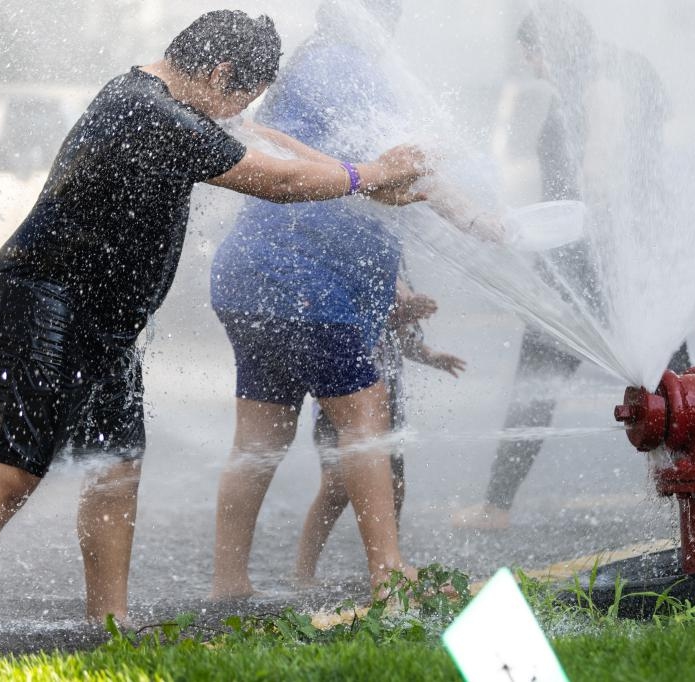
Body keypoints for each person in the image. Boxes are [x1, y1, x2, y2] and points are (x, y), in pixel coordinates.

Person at [0, 9, 427, 639]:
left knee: (116, 469)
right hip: (43, 300)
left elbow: (270, 143)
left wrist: (367, 185)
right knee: (15, 469)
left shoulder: (172, 100)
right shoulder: (150, 111)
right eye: (239, 97)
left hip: (107, 319)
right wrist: (369, 174)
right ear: (220, 71)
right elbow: (278, 180)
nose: (236, 113)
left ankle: (110, 622)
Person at [207, 0, 492, 600]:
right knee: (366, 416)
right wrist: (477, 217)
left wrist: (396, 286)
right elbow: (394, 165)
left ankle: (229, 582)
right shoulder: (347, 65)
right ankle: (389, 573)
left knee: (261, 440)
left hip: (252, 275)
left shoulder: (310, 65)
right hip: (304, 280)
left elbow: (356, 177)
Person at [452, 2, 690, 531]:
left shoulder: (597, 83)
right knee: (671, 376)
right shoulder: (624, 69)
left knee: (541, 370)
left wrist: (571, 229)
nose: (534, 67)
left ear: (551, 48)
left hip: (590, 257)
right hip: (631, 253)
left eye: (533, 55)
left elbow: (598, 170)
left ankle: (496, 506)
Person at [295, 276, 465, 583]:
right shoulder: (346, 262)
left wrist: (431, 356)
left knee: (394, 487)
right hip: (341, 400)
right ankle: (302, 573)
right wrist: (402, 311)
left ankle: (388, 562)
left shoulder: (392, 266)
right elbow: (357, 318)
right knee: (335, 487)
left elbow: (398, 336)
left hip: (388, 400)